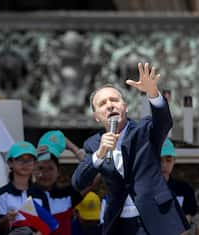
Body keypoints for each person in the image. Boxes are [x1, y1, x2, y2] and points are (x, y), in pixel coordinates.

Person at [72, 62, 190, 235]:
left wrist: (153, 93)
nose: (110, 105)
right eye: (102, 103)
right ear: (97, 116)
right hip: (120, 222)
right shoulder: (93, 144)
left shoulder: (144, 130)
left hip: (157, 217)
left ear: (125, 107)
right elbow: (78, 182)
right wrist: (100, 154)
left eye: (114, 100)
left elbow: (164, 121)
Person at [35, 130, 83, 235]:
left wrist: (73, 148)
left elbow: (94, 176)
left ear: (58, 173)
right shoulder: (24, 194)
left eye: (50, 169)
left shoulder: (67, 195)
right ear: (34, 170)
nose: (45, 173)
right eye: (41, 168)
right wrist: (33, 155)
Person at [0, 141, 49, 235]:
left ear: (35, 164)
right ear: (10, 163)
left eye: (29, 160)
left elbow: (47, 226)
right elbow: (0, 230)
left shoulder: (40, 194)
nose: (25, 164)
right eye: (20, 159)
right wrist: (6, 219)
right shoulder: (2, 193)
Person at [160, 138, 197, 225]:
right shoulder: (145, 190)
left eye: (168, 160)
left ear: (174, 161)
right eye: (160, 160)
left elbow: (187, 220)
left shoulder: (185, 190)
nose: (164, 165)